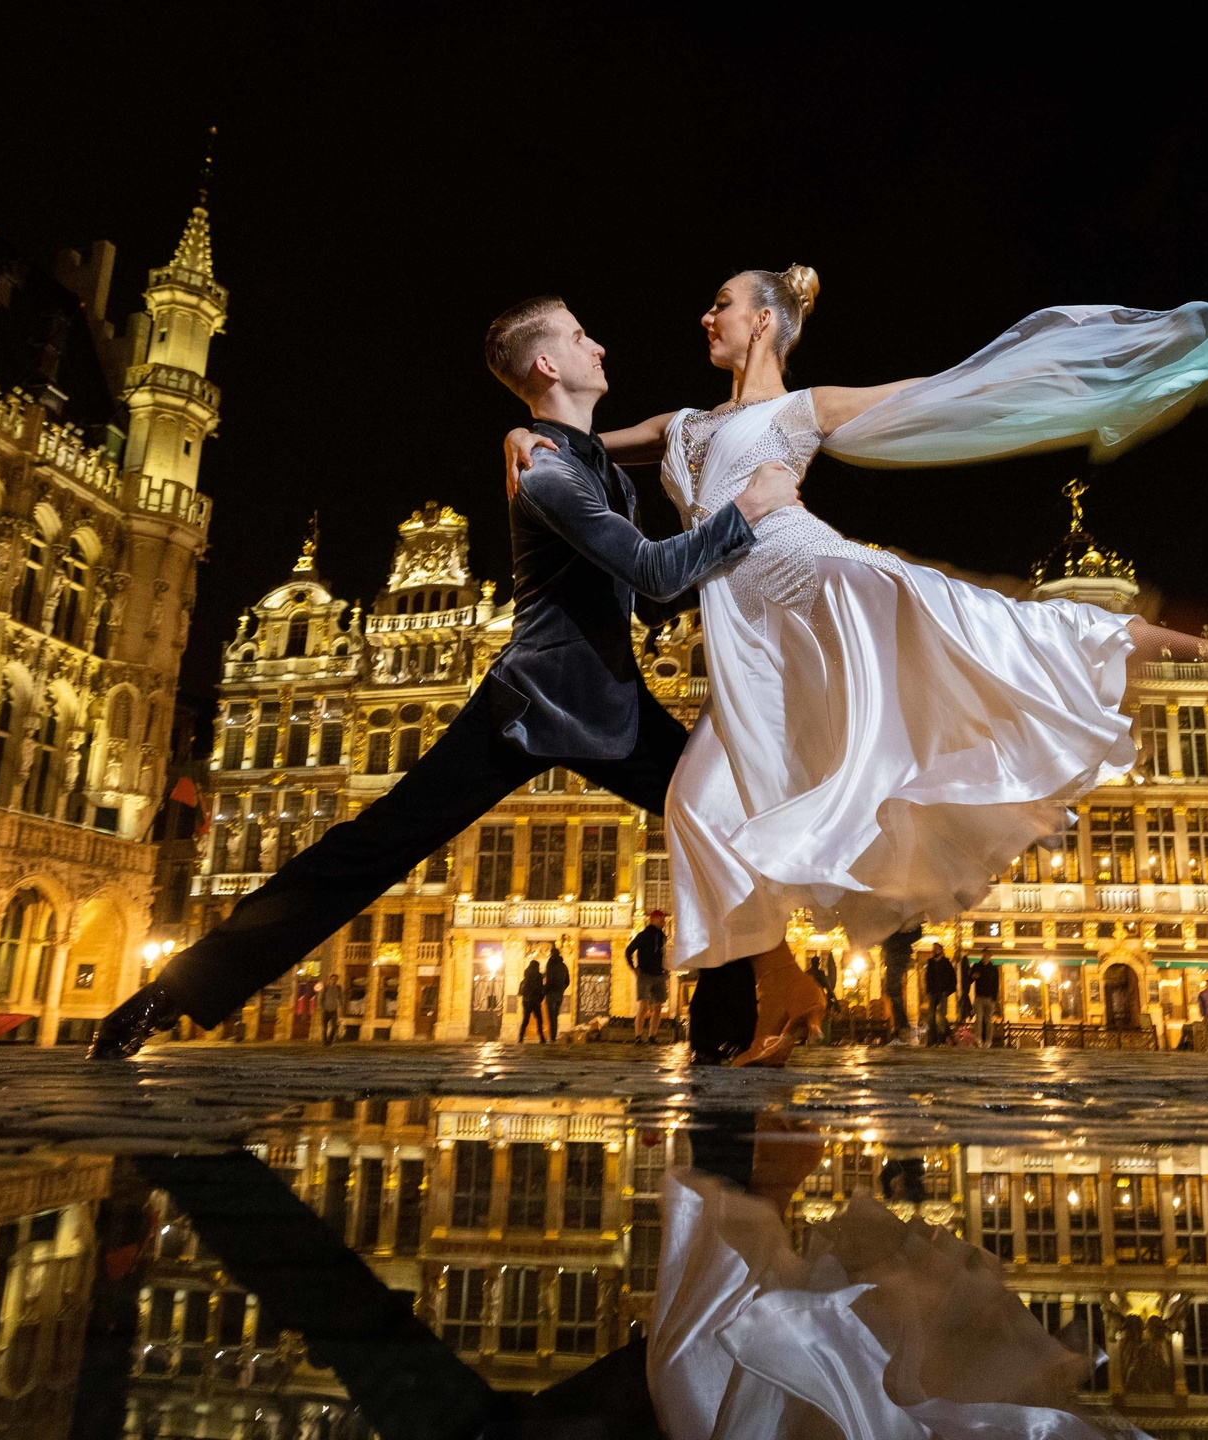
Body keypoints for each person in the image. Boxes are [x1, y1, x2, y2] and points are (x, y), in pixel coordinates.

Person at [504, 214, 1208, 1062]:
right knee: (694, 807)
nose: (706, 315)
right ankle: (786, 986)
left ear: (768, 325)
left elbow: (962, 391)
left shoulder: (807, 408)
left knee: (1029, 634)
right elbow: (572, 444)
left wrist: (1130, 369)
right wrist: (522, 432)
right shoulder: (684, 426)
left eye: (724, 305)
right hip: (751, 642)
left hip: (828, 594)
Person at [89, 296, 801, 1061]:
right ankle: (167, 995)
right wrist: (749, 509)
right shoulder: (550, 476)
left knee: (718, 822)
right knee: (371, 848)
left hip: (608, 704)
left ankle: (724, 1037)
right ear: (547, 364)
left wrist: (525, 427)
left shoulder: (570, 455)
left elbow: (665, 433)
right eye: (579, 335)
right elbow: (658, 574)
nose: (600, 343)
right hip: (530, 704)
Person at [627, 909, 670, 1044]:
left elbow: (665, 954)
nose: (663, 921)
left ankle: (652, 1035)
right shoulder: (643, 935)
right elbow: (629, 951)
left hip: (659, 974)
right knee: (643, 1006)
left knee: (658, 1006)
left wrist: (666, 969)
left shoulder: (663, 936)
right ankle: (638, 1036)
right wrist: (633, 968)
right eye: (661, 919)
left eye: (663, 919)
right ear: (652, 920)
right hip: (645, 974)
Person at [880, 924, 919, 1043]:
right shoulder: (893, 933)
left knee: (894, 990)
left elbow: (916, 934)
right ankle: (900, 1025)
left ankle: (902, 1026)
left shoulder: (899, 933)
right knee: (892, 991)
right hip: (893, 960)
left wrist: (916, 924)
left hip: (897, 960)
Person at [923, 944, 959, 1044]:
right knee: (931, 1017)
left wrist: (948, 990)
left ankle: (942, 1038)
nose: (934, 951)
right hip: (933, 993)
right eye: (933, 949)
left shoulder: (946, 963)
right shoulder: (930, 962)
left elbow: (953, 978)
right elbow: (927, 977)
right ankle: (932, 1040)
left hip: (943, 993)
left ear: (940, 951)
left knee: (942, 1016)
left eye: (936, 949)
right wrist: (928, 990)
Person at [967, 955, 1001, 1043]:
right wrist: (973, 977)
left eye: (986, 955)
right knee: (979, 1019)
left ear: (989, 957)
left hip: (989, 998)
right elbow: (969, 979)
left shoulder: (993, 969)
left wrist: (994, 998)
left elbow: (996, 984)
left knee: (988, 1020)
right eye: (983, 955)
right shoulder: (977, 966)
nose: (984, 957)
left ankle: (988, 1040)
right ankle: (978, 1039)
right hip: (979, 997)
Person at [542, 942, 571, 1043]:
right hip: (559, 994)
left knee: (551, 1015)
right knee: (555, 1014)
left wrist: (544, 990)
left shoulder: (550, 964)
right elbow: (567, 981)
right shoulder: (563, 966)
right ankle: (553, 1035)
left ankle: (552, 1036)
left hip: (551, 993)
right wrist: (562, 989)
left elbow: (549, 980)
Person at [517, 958, 548, 1043]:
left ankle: (521, 1037)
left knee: (525, 1019)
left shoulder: (525, 978)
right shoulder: (537, 977)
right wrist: (541, 997)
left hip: (526, 1002)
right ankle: (541, 1037)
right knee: (539, 1019)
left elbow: (520, 993)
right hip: (535, 1002)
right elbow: (540, 988)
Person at [318, 970, 344, 1045]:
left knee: (334, 1026)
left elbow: (340, 998)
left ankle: (330, 1039)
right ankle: (324, 1041)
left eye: (336, 979)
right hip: (326, 1010)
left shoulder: (338, 988)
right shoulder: (325, 988)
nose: (334, 981)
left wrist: (340, 1005)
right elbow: (320, 998)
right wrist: (322, 1007)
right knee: (324, 1027)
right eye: (333, 979)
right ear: (330, 980)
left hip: (334, 1010)